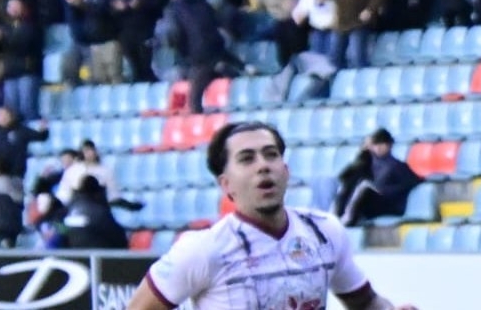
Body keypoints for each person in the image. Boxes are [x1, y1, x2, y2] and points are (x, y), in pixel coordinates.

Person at [126, 121, 418, 310]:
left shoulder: (325, 232)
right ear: (226, 184)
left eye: (271, 154)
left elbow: (366, 303)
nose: (263, 166)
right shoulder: (202, 250)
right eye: (247, 159)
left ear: (286, 171)